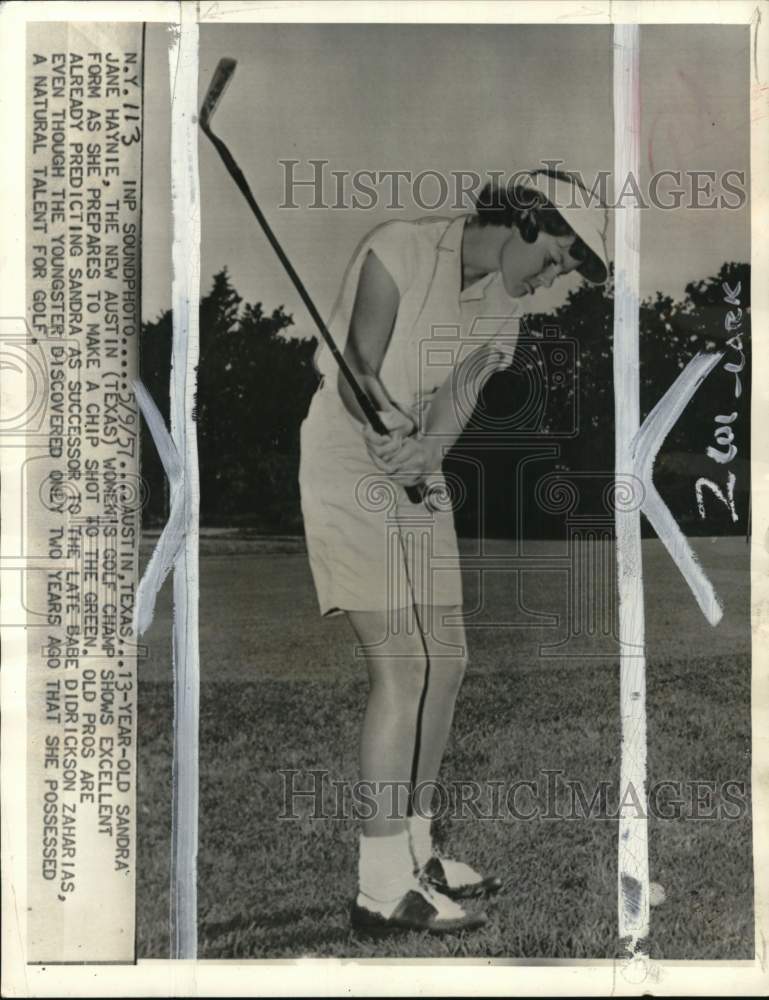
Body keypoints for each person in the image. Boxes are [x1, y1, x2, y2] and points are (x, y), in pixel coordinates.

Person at [298, 169, 609, 936]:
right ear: (529, 222)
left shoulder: (499, 316)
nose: (556, 279)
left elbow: (452, 411)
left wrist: (421, 453)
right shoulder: (398, 249)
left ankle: (415, 848)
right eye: (560, 258)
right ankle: (378, 885)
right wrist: (391, 434)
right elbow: (355, 370)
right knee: (400, 664)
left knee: (449, 656)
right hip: (345, 456)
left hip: (412, 469)